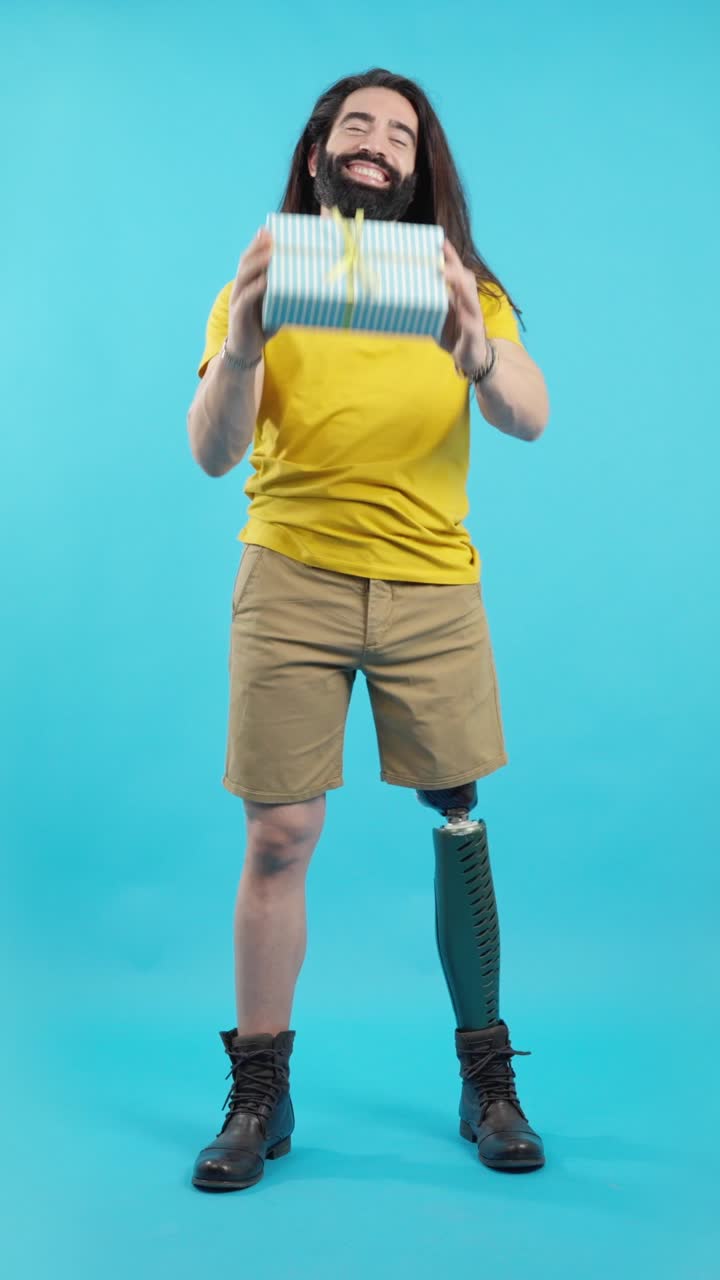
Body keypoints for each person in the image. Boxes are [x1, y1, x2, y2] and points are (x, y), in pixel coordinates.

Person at [187, 68, 550, 1193]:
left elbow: (530, 413)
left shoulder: (463, 288)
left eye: (402, 133)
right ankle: (261, 1084)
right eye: (358, 125)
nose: (378, 145)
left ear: (420, 165)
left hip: (430, 585)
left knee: (459, 822)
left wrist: (473, 344)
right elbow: (209, 451)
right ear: (317, 151)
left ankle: (487, 1074)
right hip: (290, 573)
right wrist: (246, 340)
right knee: (280, 834)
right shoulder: (262, 277)